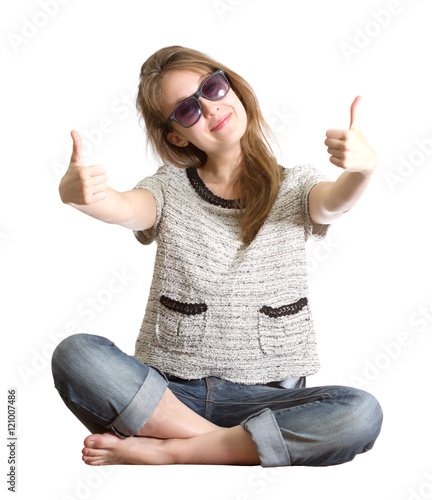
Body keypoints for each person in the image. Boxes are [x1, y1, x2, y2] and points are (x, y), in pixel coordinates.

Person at [51, 45, 383, 467]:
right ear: (176, 135)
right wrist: (82, 198)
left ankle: (172, 451)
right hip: (169, 396)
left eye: (212, 87)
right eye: (187, 110)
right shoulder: (168, 188)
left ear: (233, 88)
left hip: (269, 400)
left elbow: (332, 204)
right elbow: (125, 208)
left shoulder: (297, 186)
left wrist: (361, 171)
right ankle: (223, 445)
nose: (209, 107)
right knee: (76, 354)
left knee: (360, 413)